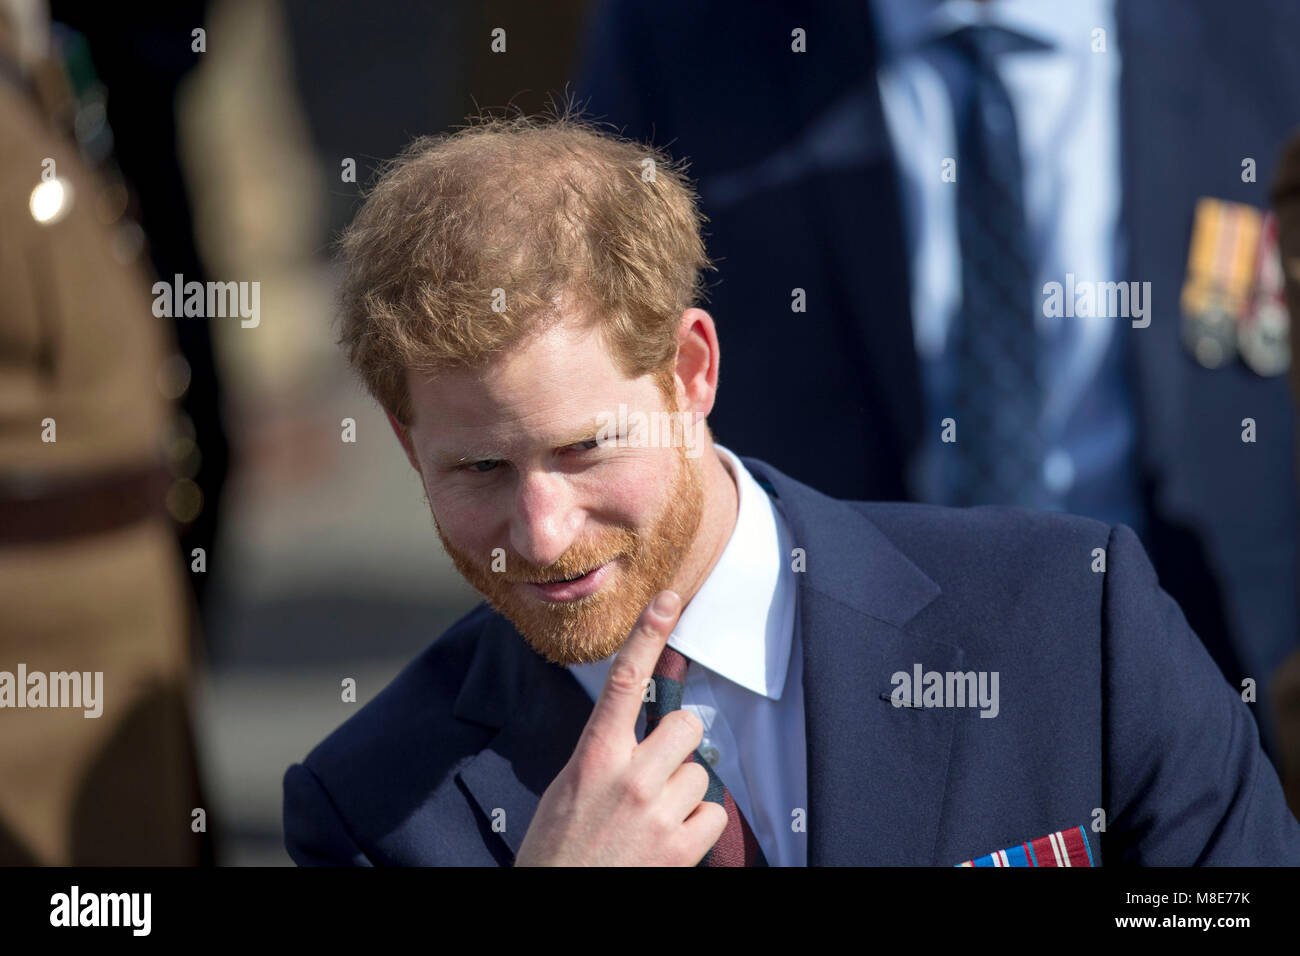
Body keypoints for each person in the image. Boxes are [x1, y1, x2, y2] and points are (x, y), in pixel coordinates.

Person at [282, 112, 1300, 866]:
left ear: (690, 373)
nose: (541, 533)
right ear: (408, 448)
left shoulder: (1072, 616)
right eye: (478, 468)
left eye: (586, 448)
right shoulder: (369, 809)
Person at [574, 0, 1300, 760]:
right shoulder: (679, 34)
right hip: (838, 723)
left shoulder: (1260, 26)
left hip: (1218, 690)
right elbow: (600, 363)